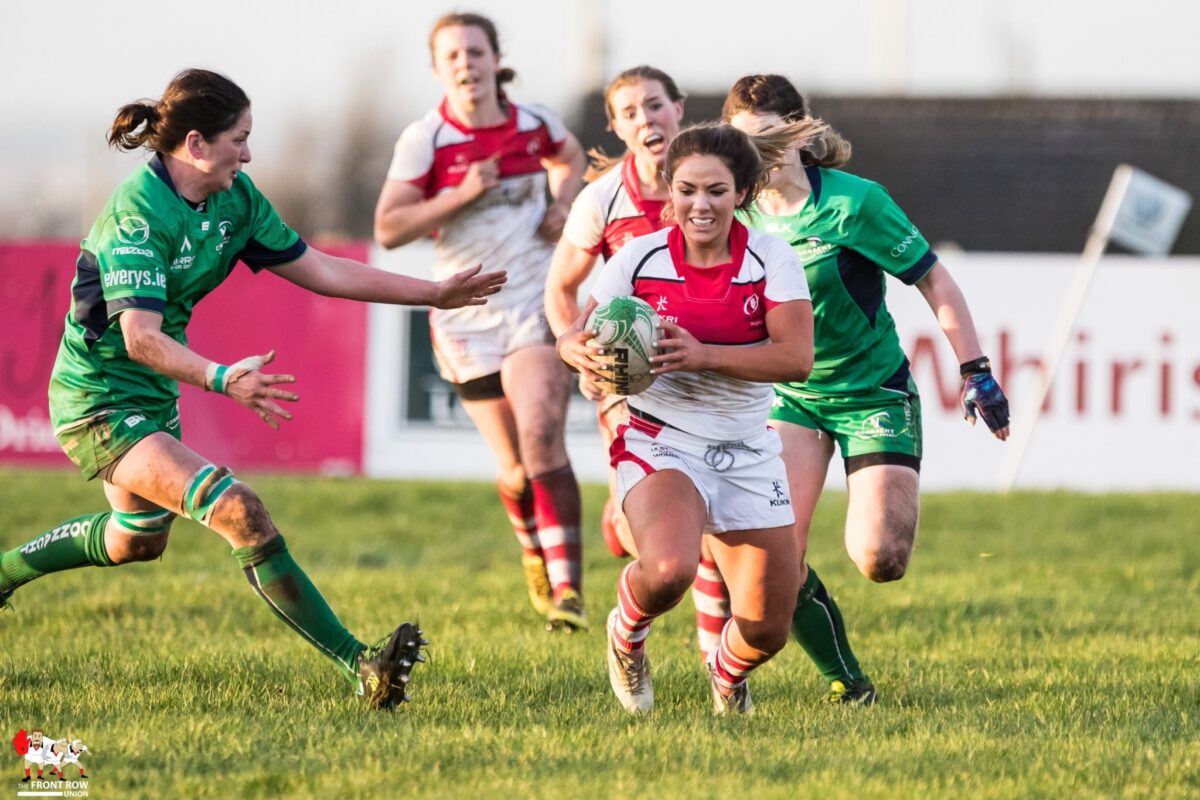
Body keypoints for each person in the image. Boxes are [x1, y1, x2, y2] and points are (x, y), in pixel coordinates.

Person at [0, 68, 506, 711]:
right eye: (239, 138)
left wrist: (432, 294)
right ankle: (362, 666)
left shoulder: (233, 198)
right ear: (196, 144)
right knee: (240, 509)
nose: (248, 152)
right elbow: (140, 339)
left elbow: (320, 269)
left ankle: (5, 570)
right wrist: (222, 377)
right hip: (99, 398)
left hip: (150, 396)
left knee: (137, 540)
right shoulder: (136, 215)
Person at [724, 74, 1011, 703]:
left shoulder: (857, 203)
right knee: (779, 558)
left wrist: (976, 371)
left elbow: (935, 283)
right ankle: (848, 685)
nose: (761, 158)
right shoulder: (731, 213)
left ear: (801, 131)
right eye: (746, 146)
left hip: (871, 392)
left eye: (772, 140)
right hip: (788, 396)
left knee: (880, 559)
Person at [558, 122, 819, 714]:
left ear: (743, 194)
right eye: (687, 190)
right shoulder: (638, 256)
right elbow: (579, 334)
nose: (700, 205)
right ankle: (626, 632)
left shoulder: (771, 259)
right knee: (670, 569)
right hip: (659, 436)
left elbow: (796, 358)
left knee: (767, 627)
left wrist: (703, 354)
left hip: (748, 447)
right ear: (670, 192)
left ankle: (726, 675)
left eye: (716, 191)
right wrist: (573, 349)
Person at [375, 12, 588, 631]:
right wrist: (459, 195)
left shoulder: (535, 123)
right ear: (438, 70)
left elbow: (571, 157)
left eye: (475, 51)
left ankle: (569, 596)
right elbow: (389, 229)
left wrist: (565, 201)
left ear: (496, 60)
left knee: (543, 432)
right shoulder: (427, 140)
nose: (466, 64)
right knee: (515, 468)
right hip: (467, 315)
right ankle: (534, 555)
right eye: (453, 56)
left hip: (533, 302)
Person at [545, 66, 737, 664]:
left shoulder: (717, 184)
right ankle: (710, 653)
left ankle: (716, 659)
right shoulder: (602, 199)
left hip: (711, 373)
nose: (645, 119)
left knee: (713, 515)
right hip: (629, 382)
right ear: (616, 127)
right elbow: (561, 289)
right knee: (672, 524)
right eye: (629, 112)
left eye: (654, 105)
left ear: (679, 109)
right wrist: (575, 345)